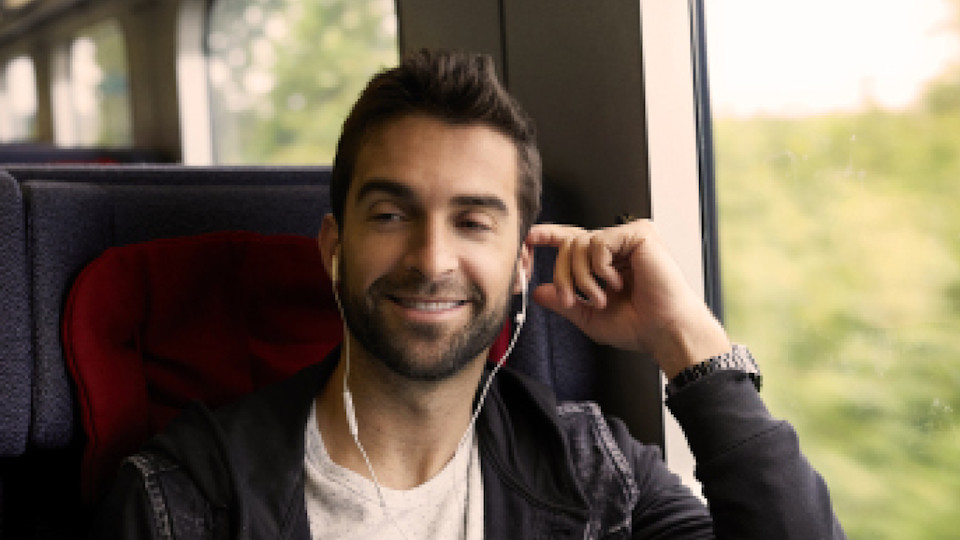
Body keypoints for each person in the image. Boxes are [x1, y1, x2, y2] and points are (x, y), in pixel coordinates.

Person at [93, 49, 846, 539]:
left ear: (522, 264)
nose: (432, 259)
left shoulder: (594, 474)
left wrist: (687, 341)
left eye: (473, 221)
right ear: (333, 248)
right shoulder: (179, 502)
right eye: (391, 215)